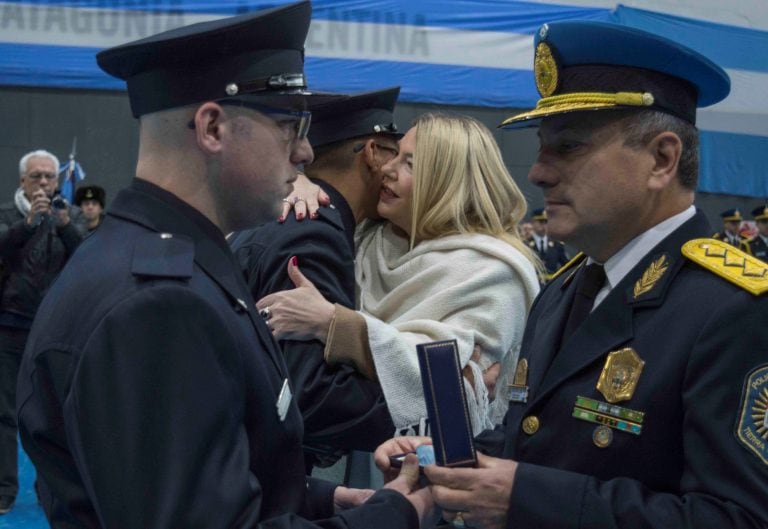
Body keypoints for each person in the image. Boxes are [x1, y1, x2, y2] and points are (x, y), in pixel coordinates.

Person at [16, 3, 432, 528]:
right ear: (212, 128)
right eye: (290, 126)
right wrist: (394, 517)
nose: (305, 152)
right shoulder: (157, 305)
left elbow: (194, 473)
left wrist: (323, 502)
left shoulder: (160, 261)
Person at [374, 20, 768, 529]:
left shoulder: (734, 309)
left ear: (662, 160)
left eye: (570, 147)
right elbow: (538, 437)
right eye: (542, 147)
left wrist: (526, 499)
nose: (538, 172)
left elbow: (741, 519)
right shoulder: (563, 288)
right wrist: (452, 462)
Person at [258, 113, 541, 437]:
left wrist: (333, 323)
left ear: (446, 182)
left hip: (445, 466)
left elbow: (447, 377)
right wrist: (305, 183)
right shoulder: (371, 240)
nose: (387, 169)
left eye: (409, 163)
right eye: (394, 155)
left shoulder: (492, 271)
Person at [229, 87, 403, 473]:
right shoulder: (315, 229)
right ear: (374, 153)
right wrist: (425, 405)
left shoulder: (283, 216)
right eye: (400, 157)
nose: (401, 173)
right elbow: (311, 395)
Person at [0, 149, 85, 515]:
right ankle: (4, 490)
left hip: (54, 332)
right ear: (22, 181)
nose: (44, 184)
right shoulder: (6, 215)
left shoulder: (71, 216)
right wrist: (28, 225)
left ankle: (51, 490)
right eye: (36, 177)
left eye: (50, 176)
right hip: (10, 326)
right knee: (4, 414)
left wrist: (64, 226)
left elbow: (88, 256)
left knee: (54, 416)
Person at [526, 207, 568, 281]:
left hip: (551, 283)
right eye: (541, 222)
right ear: (533, 223)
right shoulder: (526, 244)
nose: (544, 226)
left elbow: (566, 265)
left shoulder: (557, 244)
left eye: (546, 222)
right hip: (533, 282)